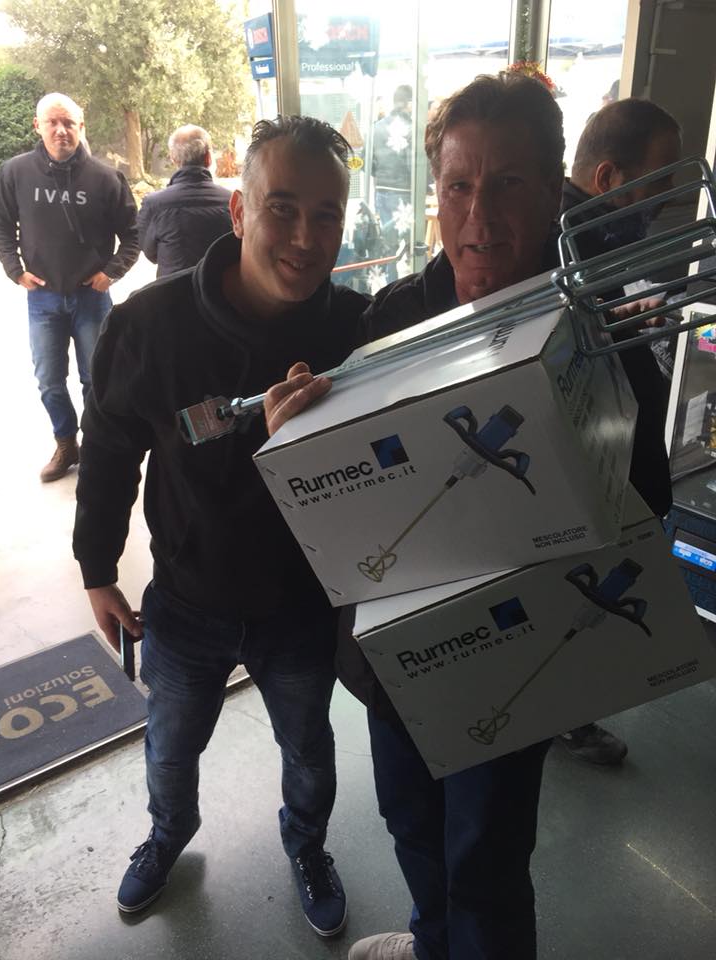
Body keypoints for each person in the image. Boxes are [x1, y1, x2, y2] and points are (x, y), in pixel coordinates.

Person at [265, 74, 673, 960]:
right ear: (437, 195)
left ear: (552, 189)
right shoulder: (388, 322)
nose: (479, 216)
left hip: (515, 649)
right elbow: (334, 485)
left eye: (508, 184)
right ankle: (430, 943)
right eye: (458, 186)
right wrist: (297, 433)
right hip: (393, 656)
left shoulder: (595, 332)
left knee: (485, 857)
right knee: (410, 822)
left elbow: (649, 500)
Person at [72, 116, 369, 932]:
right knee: (169, 750)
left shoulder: (356, 331)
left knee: (309, 751)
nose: (305, 238)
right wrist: (97, 568)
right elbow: (108, 451)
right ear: (239, 210)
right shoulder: (148, 327)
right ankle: (169, 833)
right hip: (186, 600)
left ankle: (306, 845)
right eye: (283, 209)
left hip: (301, 604)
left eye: (327, 215)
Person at [558, 97, 682, 764]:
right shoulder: (565, 244)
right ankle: (563, 715)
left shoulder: (591, 243)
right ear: (608, 177)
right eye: (658, 181)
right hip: (596, 475)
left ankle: (569, 713)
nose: (665, 201)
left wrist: (622, 322)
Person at [0, 92, 138, 482]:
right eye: (52, 122)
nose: (61, 130)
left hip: (91, 299)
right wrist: (15, 270)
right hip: (42, 300)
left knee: (96, 379)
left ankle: (95, 443)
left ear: (81, 127)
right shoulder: (15, 173)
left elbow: (133, 235)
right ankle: (65, 442)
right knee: (49, 382)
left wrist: (111, 272)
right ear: (37, 126)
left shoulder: (105, 178)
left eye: (69, 123)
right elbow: (2, 225)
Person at [137, 124, 232, 277]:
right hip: (220, 287)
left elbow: (150, 252)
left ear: (173, 158)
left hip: (172, 288)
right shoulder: (231, 201)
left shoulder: (153, 204)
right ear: (208, 158)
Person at [372, 84, 413, 280]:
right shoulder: (411, 128)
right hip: (404, 190)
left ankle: (391, 282)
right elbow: (413, 162)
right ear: (409, 103)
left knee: (389, 244)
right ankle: (417, 282)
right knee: (411, 240)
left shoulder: (377, 127)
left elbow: (368, 162)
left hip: (381, 189)